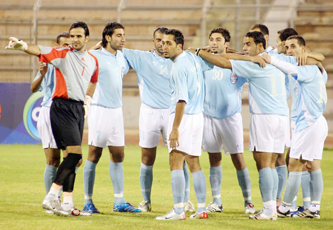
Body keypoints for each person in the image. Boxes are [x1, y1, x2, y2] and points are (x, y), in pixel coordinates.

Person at [191, 31, 291, 220]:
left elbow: (223, 61)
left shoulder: (251, 65)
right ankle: (276, 205)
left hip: (257, 117)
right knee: (270, 162)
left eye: (248, 44)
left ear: (260, 46)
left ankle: (262, 206)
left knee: (262, 164)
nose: (245, 49)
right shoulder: (276, 60)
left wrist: (199, 51)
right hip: (280, 115)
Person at [6, 21, 99, 216]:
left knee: (72, 159)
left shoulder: (93, 60)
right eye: (72, 36)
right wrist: (22, 45)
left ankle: (67, 203)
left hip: (78, 109)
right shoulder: (62, 54)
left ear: (86, 38)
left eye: (78, 36)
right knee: (72, 156)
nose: (74, 40)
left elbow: (93, 80)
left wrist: (87, 100)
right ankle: (51, 196)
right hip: (62, 107)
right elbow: (38, 49)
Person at [122, 27, 194, 212]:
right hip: (149, 112)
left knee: (180, 157)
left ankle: (185, 200)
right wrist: (99, 46)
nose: (162, 44)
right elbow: (115, 49)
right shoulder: (142, 57)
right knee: (147, 157)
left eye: (165, 41)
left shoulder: (178, 59)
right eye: (158, 40)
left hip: (172, 113)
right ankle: (146, 201)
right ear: (153, 41)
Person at [262, 36, 328, 219]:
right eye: (287, 47)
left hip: (308, 123)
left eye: (293, 47)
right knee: (313, 165)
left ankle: (284, 207)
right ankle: (314, 208)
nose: (289, 50)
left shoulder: (306, 68)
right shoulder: (314, 68)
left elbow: (290, 68)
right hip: (316, 121)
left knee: (294, 164)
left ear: (303, 49)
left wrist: (271, 59)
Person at [82, 22, 141, 214]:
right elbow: (80, 64)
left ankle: (119, 201)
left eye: (123, 35)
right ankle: (87, 201)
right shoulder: (95, 56)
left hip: (117, 111)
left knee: (118, 154)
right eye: (118, 35)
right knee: (94, 154)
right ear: (107, 38)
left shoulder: (121, 58)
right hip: (100, 110)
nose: (123, 39)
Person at [156, 29, 213, 221]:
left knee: (175, 160)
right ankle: (203, 208)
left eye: (169, 43)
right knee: (194, 162)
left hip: (184, 117)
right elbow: (210, 64)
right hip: (198, 116)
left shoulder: (178, 67)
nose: (163, 46)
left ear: (179, 46)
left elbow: (181, 99)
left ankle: (179, 211)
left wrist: (174, 129)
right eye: (162, 42)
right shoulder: (192, 58)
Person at [202, 28, 255, 214]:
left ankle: (248, 201)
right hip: (208, 116)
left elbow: (252, 66)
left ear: (226, 44)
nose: (213, 42)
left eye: (218, 39)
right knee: (213, 159)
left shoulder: (236, 64)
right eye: (211, 39)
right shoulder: (204, 62)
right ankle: (216, 201)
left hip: (231, 118)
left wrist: (237, 55)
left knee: (238, 159)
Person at [30, 32, 78, 215]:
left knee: (73, 158)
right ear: (56, 46)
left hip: (67, 113)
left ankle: (66, 201)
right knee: (53, 160)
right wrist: (42, 74)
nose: (67, 47)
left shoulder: (73, 63)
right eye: (63, 44)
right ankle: (52, 201)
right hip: (50, 110)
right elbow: (33, 88)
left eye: (69, 44)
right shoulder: (49, 64)